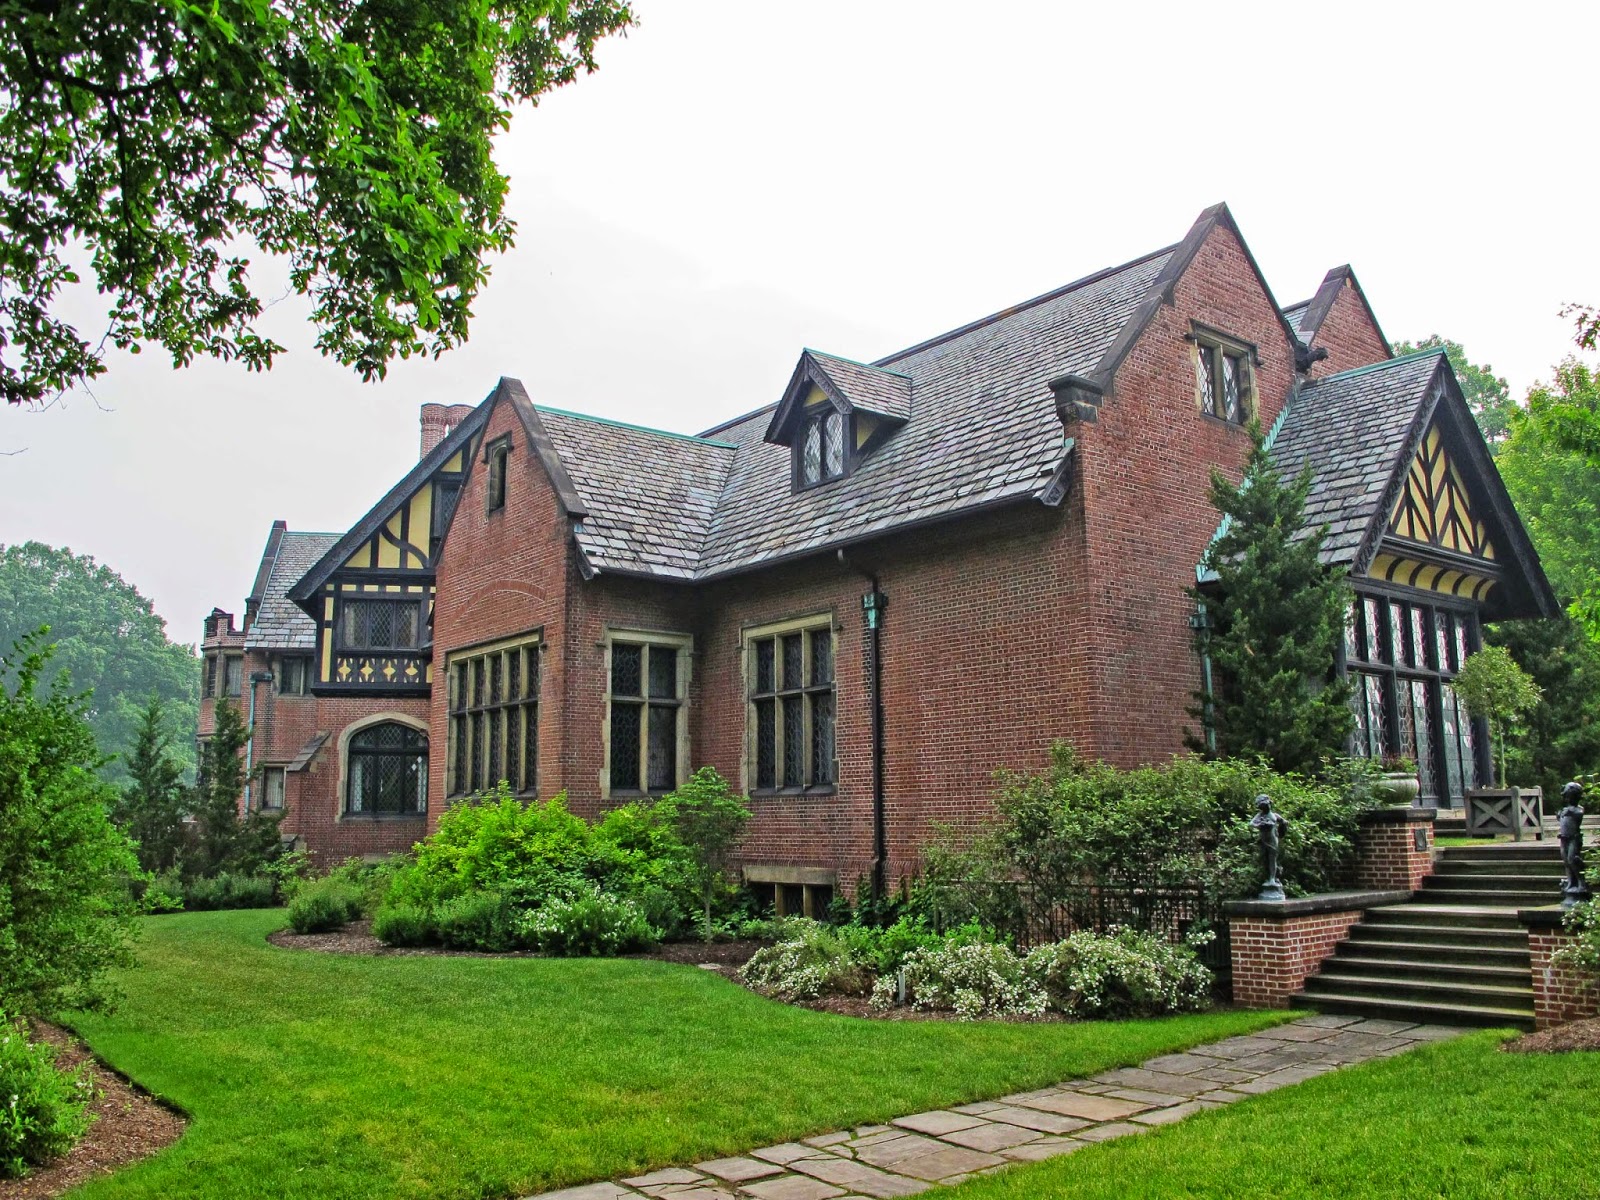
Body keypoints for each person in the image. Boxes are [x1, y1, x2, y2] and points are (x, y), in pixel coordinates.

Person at [1250, 794, 1289, 900]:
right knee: (1264, 859)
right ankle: (1270, 877)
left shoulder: (1275, 815)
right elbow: (1252, 823)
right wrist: (1260, 824)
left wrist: (1282, 831)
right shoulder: (1260, 815)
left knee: (1272, 859)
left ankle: (1272, 878)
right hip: (1263, 840)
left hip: (1272, 841)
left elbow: (1284, 823)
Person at [1557, 781, 1590, 901]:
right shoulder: (1565, 809)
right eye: (1566, 796)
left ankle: (1581, 883)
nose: (1567, 799)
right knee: (1566, 861)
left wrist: (1569, 812)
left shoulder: (1578, 809)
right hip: (1563, 837)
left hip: (1573, 838)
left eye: (1569, 796)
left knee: (1572, 859)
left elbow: (1578, 814)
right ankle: (1571, 882)